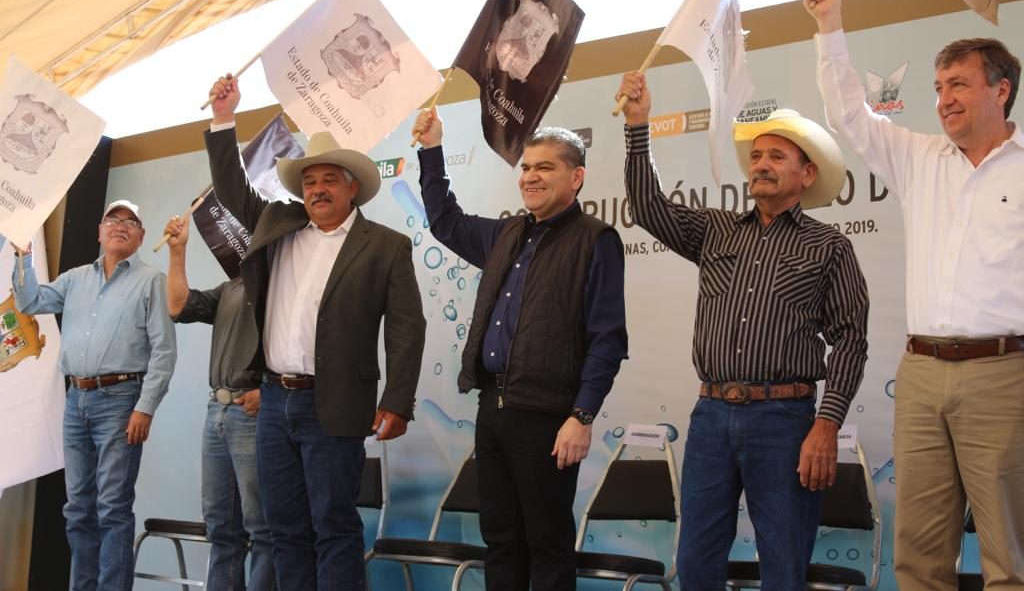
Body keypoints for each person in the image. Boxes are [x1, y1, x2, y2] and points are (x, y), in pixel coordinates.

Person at [805, 0, 1024, 589]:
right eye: (937, 87)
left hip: (1004, 375)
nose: (944, 98)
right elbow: (849, 114)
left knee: (1010, 556)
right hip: (922, 374)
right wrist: (829, 25)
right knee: (919, 555)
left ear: (1001, 90)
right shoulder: (917, 157)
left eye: (959, 84)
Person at [616, 72, 869, 589]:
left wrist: (827, 425)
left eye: (776, 156)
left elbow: (850, 340)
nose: (761, 164)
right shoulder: (715, 230)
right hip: (710, 416)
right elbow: (646, 207)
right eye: (756, 156)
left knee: (783, 565)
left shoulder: (829, 247)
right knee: (695, 561)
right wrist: (638, 125)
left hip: (786, 421)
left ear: (806, 173)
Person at [204, 75, 425, 591]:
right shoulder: (277, 225)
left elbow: (406, 328)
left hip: (337, 403)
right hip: (273, 403)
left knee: (334, 526)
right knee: (284, 530)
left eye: (328, 180)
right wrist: (223, 119)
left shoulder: (385, 246)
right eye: (309, 182)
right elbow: (231, 189)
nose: (317, 189)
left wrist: (397, 400)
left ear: (352, 187)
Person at [412, 108, 628, 591]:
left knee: (547, 544)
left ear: (576, 177)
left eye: (544, 167)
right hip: (493, 409)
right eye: (526, 167)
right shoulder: (506, 233)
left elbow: (608, 339)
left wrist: (582, 416)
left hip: (549, 418)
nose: (530, 176)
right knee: (501, 540)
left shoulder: (596, 240)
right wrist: (431, 150)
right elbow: (445, 222)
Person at [13, 199, 176, 591]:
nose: (120, 226)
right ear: (99, 232)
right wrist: (23, 257)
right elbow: (30, 301)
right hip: (76, 400)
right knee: (78, 509)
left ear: (140, 237)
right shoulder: (74, 279)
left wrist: (145, 407)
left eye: (130, 222)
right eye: (112, 220)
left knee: (112, 508)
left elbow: (164, 351)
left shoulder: (151, 281)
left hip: (121, 401)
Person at [163, 214, 275, 590]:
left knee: (262, 527)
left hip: (253, 413)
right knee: (221, 527)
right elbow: (178, 305)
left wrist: (272, 391)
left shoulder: (282, 286)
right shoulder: (231, 286)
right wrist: (178, 251)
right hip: (218, 411)